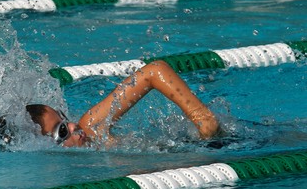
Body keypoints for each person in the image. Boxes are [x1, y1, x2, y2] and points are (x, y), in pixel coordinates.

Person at [26, 60, 220, 148]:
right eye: (62, 130)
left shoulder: (91, 127)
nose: (72, 125)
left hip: (211, 147)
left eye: (65, 119)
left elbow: (153, 71)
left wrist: (202, 119)